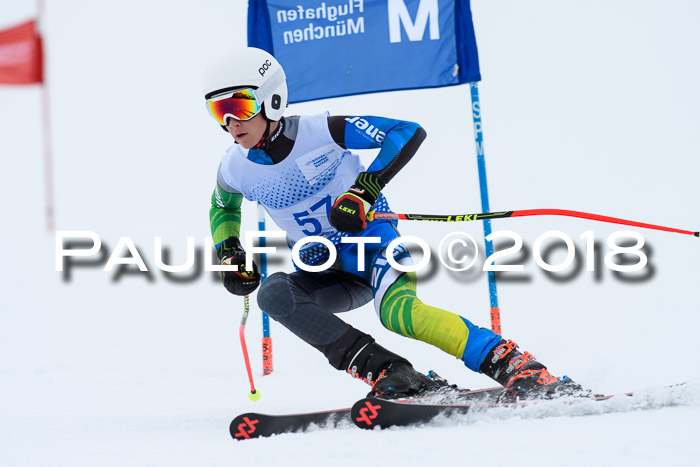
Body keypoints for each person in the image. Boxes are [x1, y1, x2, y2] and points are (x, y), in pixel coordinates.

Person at [205, 47, 583, 400]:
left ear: (272, 98)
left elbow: (404, 131)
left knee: (399, 314)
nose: (231, 122)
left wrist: (363, 191)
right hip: (329, 272)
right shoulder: (235, 166)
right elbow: (223, 207)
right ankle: (392, 373)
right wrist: (229, 251)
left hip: (374, 247)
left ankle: (518, 366)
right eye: (218, 111)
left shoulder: (321, 131)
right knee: (274, 293)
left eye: (239, 104)